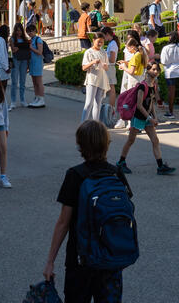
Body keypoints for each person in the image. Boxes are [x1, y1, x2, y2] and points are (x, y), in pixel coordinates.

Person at [44, 120, 131, 302]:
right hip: (110, 257)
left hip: (80, 259)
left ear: (81, 146)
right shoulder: (116, 174)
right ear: (106, 143)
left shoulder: (75, 175)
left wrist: (50, 261)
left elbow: (63, 223)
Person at [116, 61, 176, 176]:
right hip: (138, 117)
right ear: (148, 70)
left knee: (155, 140)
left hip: (148, 118)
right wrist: (150, 118)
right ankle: (120, 162)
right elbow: (139, 105)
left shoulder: (153, 85)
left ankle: (160, 166)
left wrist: (155, 117)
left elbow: (151, 103)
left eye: (157, 69)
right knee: (131, 140)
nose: (156, 71)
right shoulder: (142, 86)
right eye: (153, 69)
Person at [81, 35, 110, 122]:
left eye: (102, 42)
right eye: (98, 41)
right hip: (92, 79)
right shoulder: (88, 52)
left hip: (101, 80)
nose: (100, 44)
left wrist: (105, 66)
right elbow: (84, 67)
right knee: (89, 103)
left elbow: (107, 68)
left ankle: (95, 124)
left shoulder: (103, 52)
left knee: (98, 104)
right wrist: (92, 62)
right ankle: (83, 124)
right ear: (93, 40)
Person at [9, 23, 30, 109]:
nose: (19, 32)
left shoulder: (25, 39)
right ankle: (13, 101)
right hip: (16, 60)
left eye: (20, 30)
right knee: (14, 81)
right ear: (15, 31)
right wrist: (16, 48)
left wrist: (28, 64)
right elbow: (13, 50)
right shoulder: (12, 39)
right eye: (17, 30)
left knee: (22, 81)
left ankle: (22, 100)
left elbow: (28, 50)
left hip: (24, 60)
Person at [26, 23, 47, 108]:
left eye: (31, 31)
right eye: (28, 32)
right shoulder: (31, 40)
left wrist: (31, 48)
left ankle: (41, 99)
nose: (29, 33)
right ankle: (37, 97)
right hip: (32, 63)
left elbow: (39, 52)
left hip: (37, 63)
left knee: (39, 82)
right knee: (34, 82)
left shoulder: (38, 39)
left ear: (35, 31)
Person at [0, 24, 11, 96]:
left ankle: (1, 100)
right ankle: (0, 101)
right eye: (8, 31)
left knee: (1, 88)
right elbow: (1, 56)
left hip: (0, 67)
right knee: (1, 87)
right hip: (0, 67)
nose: (9, 33)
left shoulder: (1, 40)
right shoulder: (1, 41)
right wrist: (6, 68)